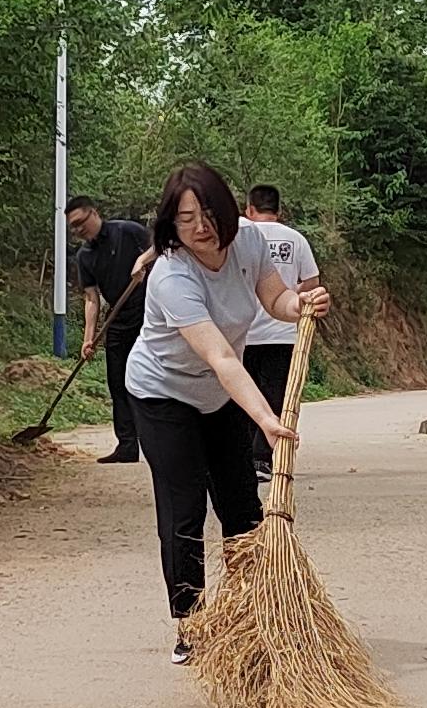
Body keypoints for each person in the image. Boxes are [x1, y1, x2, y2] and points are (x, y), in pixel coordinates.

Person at [127, 162, 332, 658]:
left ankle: (248, 610)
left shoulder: (251, 243)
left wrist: (301, 305)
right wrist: (266, 418)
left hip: (218, 397)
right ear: (170, 225)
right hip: (163, 395)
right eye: (185, 218)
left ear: (227, 208)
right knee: (184, 508)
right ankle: (190, 623)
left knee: (242, 506)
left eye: (208, 213)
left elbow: (275, 297)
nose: (200, 227)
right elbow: (220, 356)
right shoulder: (172, 276)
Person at [237, 184, 320, 482]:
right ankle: (262, 459)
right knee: (274, 397)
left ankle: (246, 457)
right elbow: (312, 282)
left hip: (243, 334)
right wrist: (289, 294)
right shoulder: (295, 239)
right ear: (279, 211)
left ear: (248, 209)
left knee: (243, 395)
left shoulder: (240, 234)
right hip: (282, 333)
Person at [67, 194, 154, 464]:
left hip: (149, 314)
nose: (79, 229)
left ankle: (157, 443)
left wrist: (143, 262)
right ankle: (127, 446)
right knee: (118, 383)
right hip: (117, 318)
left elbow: (162, 247)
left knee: (151, 380)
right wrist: (88, 338)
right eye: (73, 227)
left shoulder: (128, 232)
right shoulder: (85, 257)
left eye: (81, 221)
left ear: (94, 213)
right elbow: (91, 298)